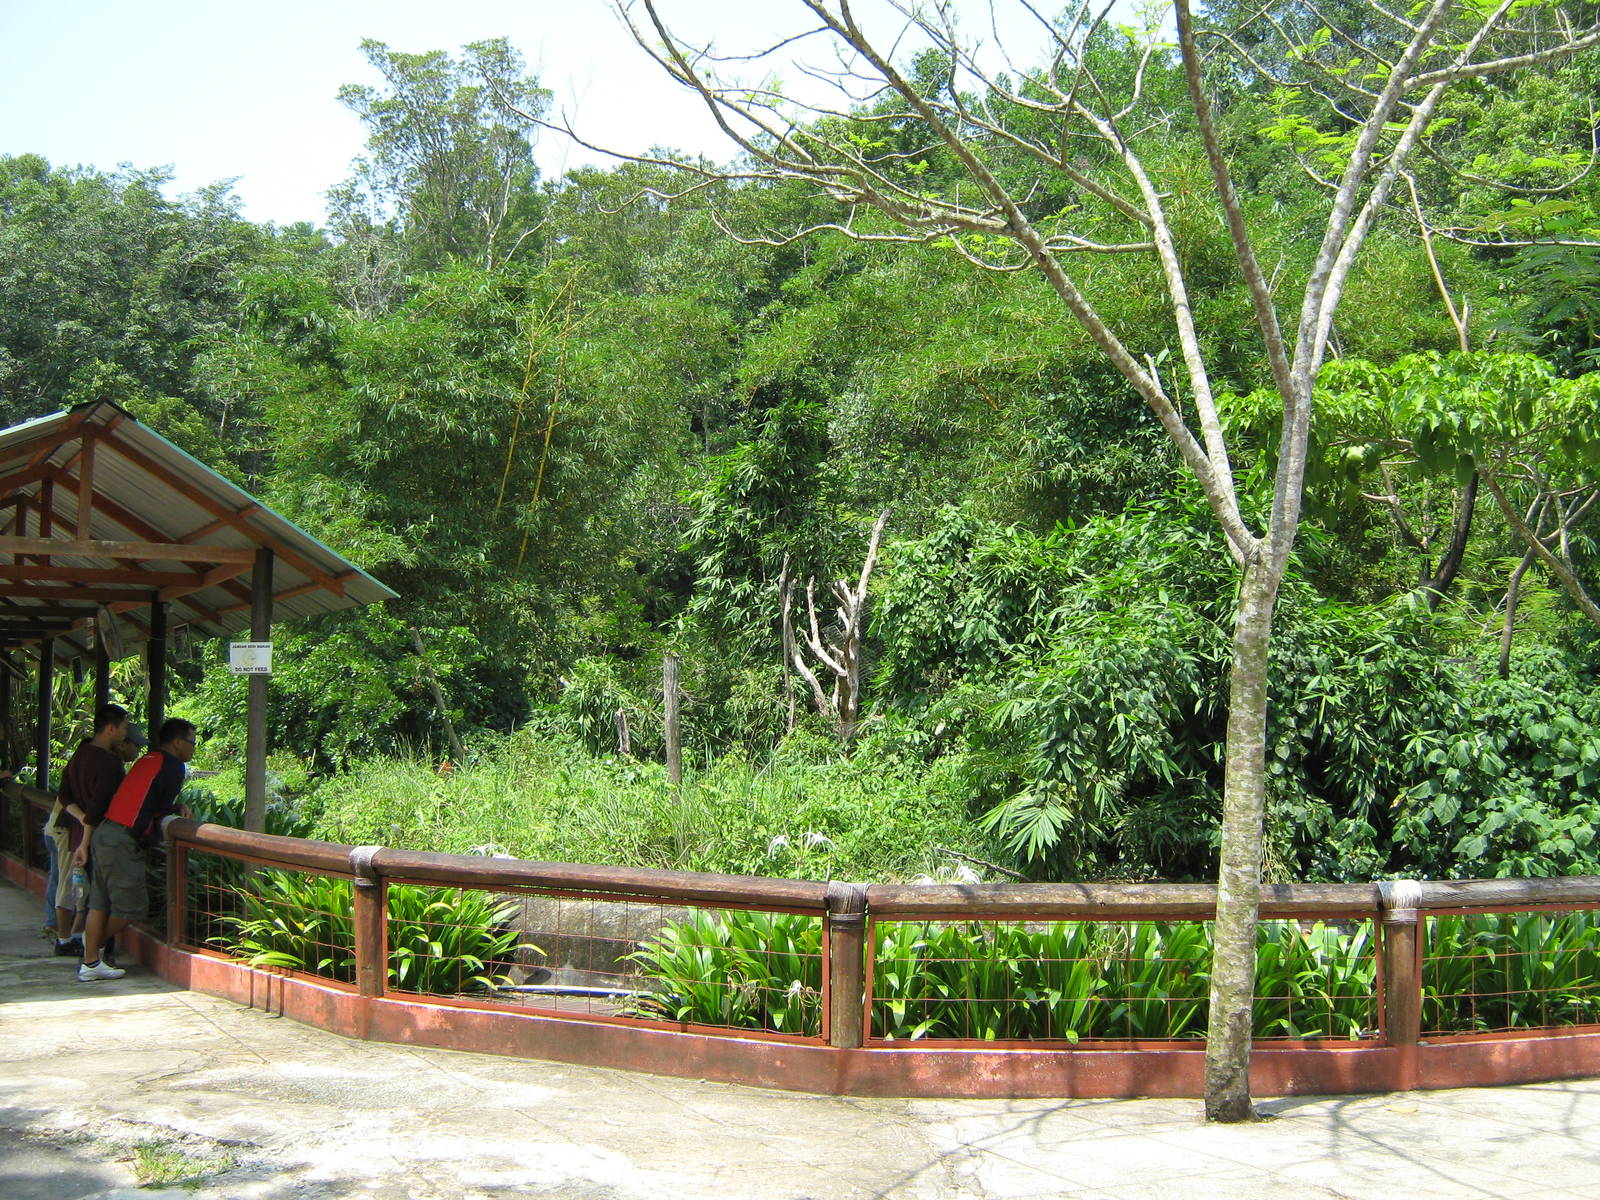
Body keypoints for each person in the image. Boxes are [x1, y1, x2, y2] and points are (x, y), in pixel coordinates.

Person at [78, 718, 196, 982]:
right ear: (177, 743)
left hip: (105, 833)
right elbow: (157, 807)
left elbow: (147, 801)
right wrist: (175, 810)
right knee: (133, 906)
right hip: (121, 839)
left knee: (99, 903)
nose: (194, 748)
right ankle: (91, 949)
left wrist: (172, 808)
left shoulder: (149, 759)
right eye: (192, 742)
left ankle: (90, 962)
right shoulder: (173, 766)